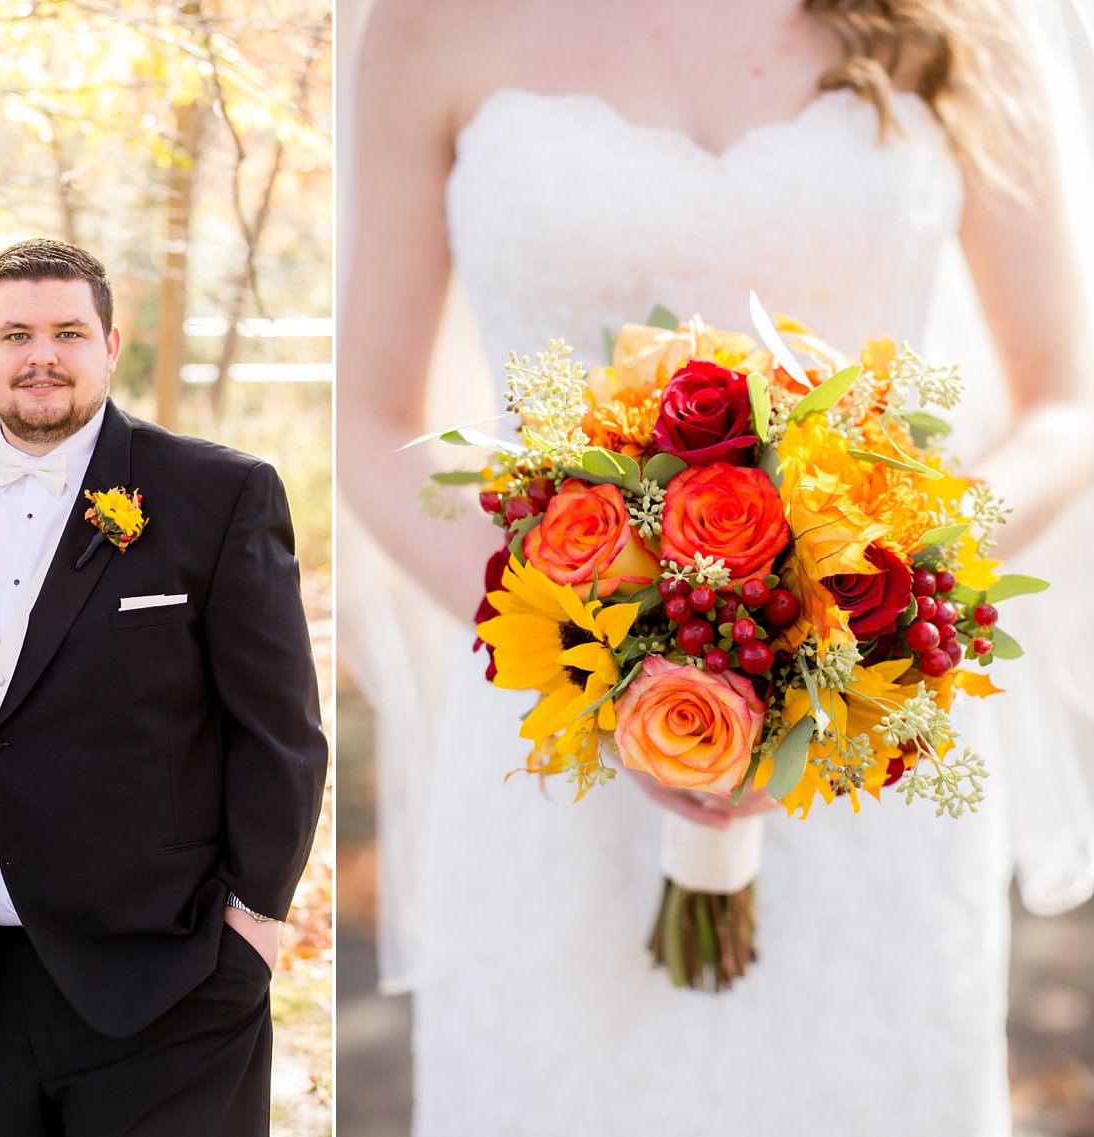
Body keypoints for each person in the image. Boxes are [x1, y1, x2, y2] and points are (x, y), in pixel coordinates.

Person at [338, 1, 1094, 1134]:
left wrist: (884, 581)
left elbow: (1063, 402)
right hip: (550, 743)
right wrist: (587, 657)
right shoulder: (425, 27)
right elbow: (364, 420)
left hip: (864, 729)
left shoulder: (957, 17)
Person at [0, 238, 327, 1137]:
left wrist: (252, 927)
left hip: (165, 978)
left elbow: (281, 734)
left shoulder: (219, 492)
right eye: (16, 333)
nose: (40, 355)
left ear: (112, 344)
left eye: (67, 332)